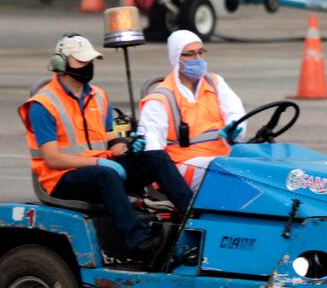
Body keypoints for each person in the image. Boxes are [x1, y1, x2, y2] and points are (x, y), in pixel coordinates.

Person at [19, 34, 193, 254]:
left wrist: (125, 144)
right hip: (61, 178)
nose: (88, 66)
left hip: (101, 168)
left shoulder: (99, 96)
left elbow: (109, 136)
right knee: (106, 176)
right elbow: (52, 158)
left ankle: (194, 218)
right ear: (61, 63)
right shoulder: (43, 104)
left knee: (155, 157)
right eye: (82, 61)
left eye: (90, 61)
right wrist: (99, 163)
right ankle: (139, 241)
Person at [137, 29, 246, 192]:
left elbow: (236, 112)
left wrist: (236, 128)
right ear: (176, 58)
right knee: (230, 173)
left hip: (222, 159)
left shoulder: (215, 83)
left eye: (201, 52)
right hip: (182, 167)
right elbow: (153, 145)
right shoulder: (161, 98)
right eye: (190, 54)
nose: (198, 59)